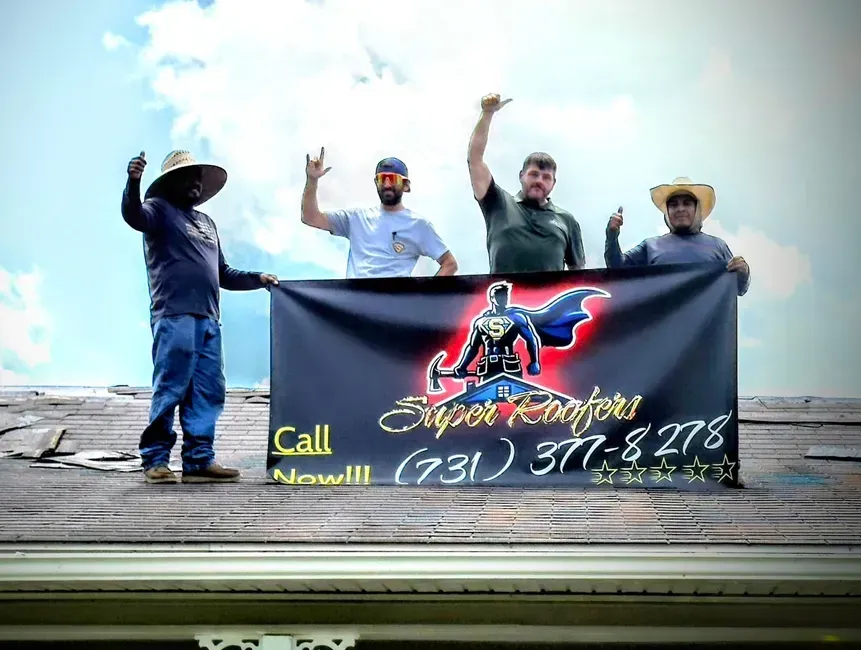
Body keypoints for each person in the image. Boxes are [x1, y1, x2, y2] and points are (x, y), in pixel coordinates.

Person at [121, 150, 279, 484]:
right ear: (170, 182)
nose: (195, 182)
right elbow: (134, 216)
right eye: (188, 176)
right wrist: (133, 182)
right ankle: (155, 461)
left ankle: (198, 461)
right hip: (175, 315)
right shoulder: (159, 211)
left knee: (208, 390)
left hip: (209, 320)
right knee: (171, 386)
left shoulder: (207, 224)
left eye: (198, 178)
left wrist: (257, 279)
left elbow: (223, 273)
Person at [467, 94, 586, 274]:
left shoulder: (567, 221)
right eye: (534, 174)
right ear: (521, 176)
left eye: (546, 177)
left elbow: (579, 275)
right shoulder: (497, 203)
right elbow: (475, 159)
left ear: (554, 184)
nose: (539, 181)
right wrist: (487, 114)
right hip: (503, 300)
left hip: (550, 303)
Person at [300, 151, 458, 278]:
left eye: (393, 179)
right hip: (354, 307)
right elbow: (310, 217)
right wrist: (312, 180)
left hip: (395, 310)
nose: (387, 185)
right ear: (376, 183)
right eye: (382, 179)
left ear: (406, 186)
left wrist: (425, 297)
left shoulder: (419, 225)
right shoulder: (356, 218)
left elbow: (449, 264)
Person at [604, 176, 751, 296]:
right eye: (673, 205)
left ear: (696, 209)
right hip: (661, 330)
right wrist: (612, 236)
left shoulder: (718, 246)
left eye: (686, 203)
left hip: (707, 332)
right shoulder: (650, 246)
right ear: (667, 212)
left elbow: (738, 288)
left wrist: (743, 272)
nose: (680, 209)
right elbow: (617, 269)